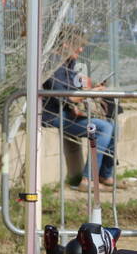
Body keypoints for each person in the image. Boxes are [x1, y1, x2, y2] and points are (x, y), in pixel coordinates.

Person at [41, 26, 115, 189]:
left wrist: (91, 89)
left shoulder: (68, 62)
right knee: (103, 128)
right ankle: (87, 180)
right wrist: (92, 93)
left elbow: (75, 91)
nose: (81, 49)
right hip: (53, 116)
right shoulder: (53, 63)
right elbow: (68, 96)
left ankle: (105, 174)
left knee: (112, 125)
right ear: (66, 44)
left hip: (68, 112)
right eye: (78, 45)